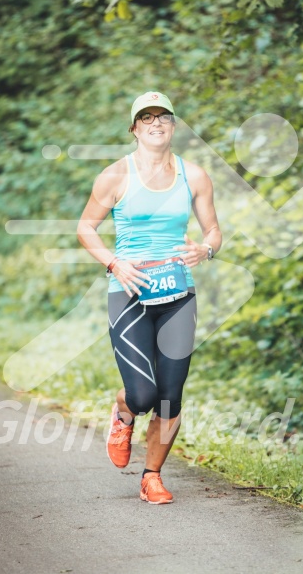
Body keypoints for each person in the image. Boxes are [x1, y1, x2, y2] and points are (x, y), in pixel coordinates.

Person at [77, 91, 222, 504]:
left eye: (164, 117)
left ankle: (152, 476)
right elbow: (86, 227)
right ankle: (123, 411)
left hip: (178, 294)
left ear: (174, 126)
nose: (156, 123)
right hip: (130, 294)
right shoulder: (114, 175)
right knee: (142, 396)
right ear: (135, 128)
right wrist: (113, 263)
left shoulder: (194, 175)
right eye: (147, 117)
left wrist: (206, 249)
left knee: (169, 395)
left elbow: (214, 231)